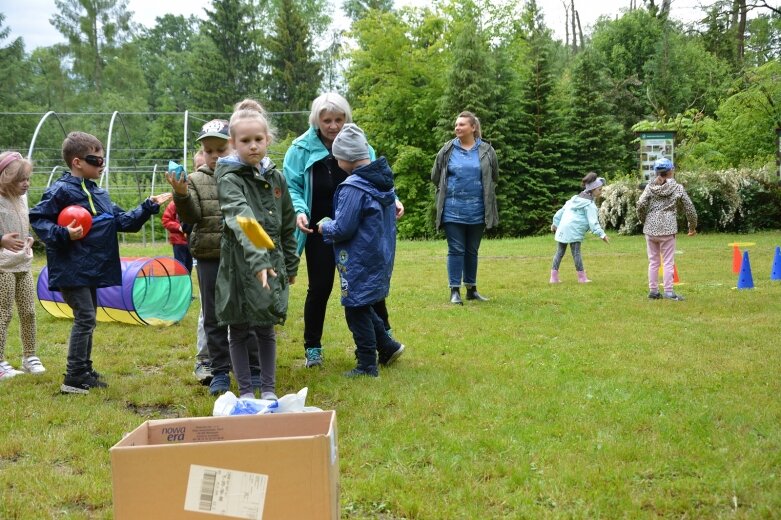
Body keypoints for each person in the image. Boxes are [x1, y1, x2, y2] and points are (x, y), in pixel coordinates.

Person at [30, 132, 170, 394]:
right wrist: (64, 234)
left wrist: (148, 206)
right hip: (71, 268)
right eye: (96, 159)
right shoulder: (60, 190)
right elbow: (39, 219)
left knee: (89, 317)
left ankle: (84, 370)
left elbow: (124, 222)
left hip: (93, 268)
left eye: (103, 159)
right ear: (77, 162)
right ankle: (73, 377)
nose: (101, 164)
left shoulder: (100, 193)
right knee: (85, 318)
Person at [284, 92, 403, 368]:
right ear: (317, 120)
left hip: (358, 231)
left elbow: (378, 179)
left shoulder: (358, 142)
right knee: (320, 287)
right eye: (327, 120)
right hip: (320, 229)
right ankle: (313, 347)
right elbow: (292, 186)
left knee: (368, 287)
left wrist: (394, 199)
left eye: (339, 119)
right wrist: (300, 210)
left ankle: (384, 341)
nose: (334, 126)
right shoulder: (299, 149)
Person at [169, 120, 262, 395]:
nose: (214, 156)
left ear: (233, 146)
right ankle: (219, 371)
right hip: (209, 256)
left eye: (221, 149)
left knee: (248, 313)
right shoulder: (196, 180)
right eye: (208, 151)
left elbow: (256, 217)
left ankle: (253, 370)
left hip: (244, 258)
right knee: (213, 316)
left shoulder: (248, 176)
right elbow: (191, 217)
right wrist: (182, 195)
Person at [215, 99, 299, 399]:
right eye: (245, 141)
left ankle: (269, 389)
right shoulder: (228, 178)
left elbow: (288, 225)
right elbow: (243, 219)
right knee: (238, 327)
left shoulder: (276, 178)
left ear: (268, 140)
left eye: (258, 140)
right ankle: (247, 392)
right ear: (233, 143)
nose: (253, 146)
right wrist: (259, 260)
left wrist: (290, 264)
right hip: (239, 265)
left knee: (265, 326)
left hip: (272, 263)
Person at [318, 124, 404, 377]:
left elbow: (343, 228)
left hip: (358, 257)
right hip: (379, 254)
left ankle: (367, 364)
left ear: (344, 157)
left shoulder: (352, 187)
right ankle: (388, 346)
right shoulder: (382, 182)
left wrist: (325, 226)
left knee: (355, 308)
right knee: (363, 304)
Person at [431, 110, 499, 305]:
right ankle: (454, 291)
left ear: (473, 127)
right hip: (452, 209)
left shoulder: (487, 150)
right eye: (456, 124)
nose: (457, 127)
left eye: (461, 124)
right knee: (456, 249)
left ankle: (471, 289)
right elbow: (435, 175)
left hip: (479, 209)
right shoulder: (447, 150)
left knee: (472, 250)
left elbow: (494, 176)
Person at [0, 152, 46, 379]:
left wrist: (28, 239)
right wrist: (2, 240)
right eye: (21, 180)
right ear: (5, 178)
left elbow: (23, 224)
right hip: (3, 266)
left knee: (28, 311)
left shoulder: (23, 198)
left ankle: (29, 357)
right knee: (3, 314)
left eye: (28, 178)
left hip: (23, 264)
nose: (26, 183)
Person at [636, 157, 697, 301]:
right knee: (668, 261)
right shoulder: (677, 188)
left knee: (653, 261)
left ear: (656, 172)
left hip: (650, 228)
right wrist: (692, 227)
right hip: (668, 229)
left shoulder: (650, 187)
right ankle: (669, 292)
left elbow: (640, 205)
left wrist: (644, 220)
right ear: (671, 171)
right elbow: (690, 209)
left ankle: (653, 291)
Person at [549, 172, 610, 283]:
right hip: (574, 231)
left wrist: (555, 224)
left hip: (563, 228)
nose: (601, 192)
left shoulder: (574, 199)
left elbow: (560, 212)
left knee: (559, 252)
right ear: (593, 190)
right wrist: (602, 234)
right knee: (576, 253)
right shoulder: (589, 205)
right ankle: (582, 278)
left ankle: (553, 278)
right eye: (599, 189)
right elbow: (593, 222)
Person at [161, 196, 193, 273]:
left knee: (189, 265)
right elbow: (166, 220)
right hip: (179, 241)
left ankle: (186, 283)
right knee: (180, 266)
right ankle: (180, 283)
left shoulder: (193, 204)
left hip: (191, 241)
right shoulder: (173, 204)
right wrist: (178, 227)